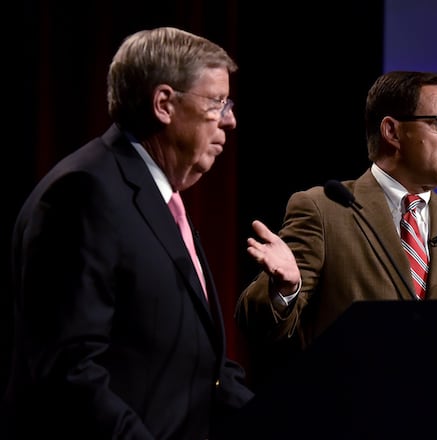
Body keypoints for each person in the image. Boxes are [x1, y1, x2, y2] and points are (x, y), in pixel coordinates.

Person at [5, 27, 253, 439]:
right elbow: (70, 369)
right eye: (216, 102)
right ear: (163, 104)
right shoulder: (83, 194)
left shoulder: (160, 199)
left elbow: (203, 367)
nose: (230, 119)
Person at [235, 70, 437, 374]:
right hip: (354, 409)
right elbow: (257, 324)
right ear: (392, 131)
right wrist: (286, 289)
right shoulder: (325, 209)